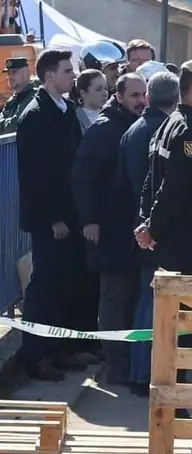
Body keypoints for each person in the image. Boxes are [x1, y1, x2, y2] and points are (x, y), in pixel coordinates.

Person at [134, 59, 192, 406]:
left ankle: (178, 402)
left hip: (173, 244)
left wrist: (147, 223)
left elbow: (150, 182)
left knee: (177, 328)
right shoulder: (191, 131)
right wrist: (154, 228)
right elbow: (174, 187)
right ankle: (182, 406)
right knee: (188, 331)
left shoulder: (169, 123)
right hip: (188, 247)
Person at [15, 49, 91, 381]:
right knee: (44, 285)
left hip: (70, 214)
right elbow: (37, 177)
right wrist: (54, 218)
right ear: (49, 75)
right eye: (67, 71)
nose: (72, 76)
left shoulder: (66, 110)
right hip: (51, 220)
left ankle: (56, 348)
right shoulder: (36, 115)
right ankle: (35, 355)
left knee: (64, 284)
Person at [71, 73, 146, 386]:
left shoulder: (132, 125)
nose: (141, 101)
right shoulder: (104, 130)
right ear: (119, 96)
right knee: (114, 298)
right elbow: (84, 178)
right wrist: (90, 220)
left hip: (128, 228)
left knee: (128, 299)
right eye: (134, 95)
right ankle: (115, 365)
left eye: (144, 95)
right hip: (109, 229)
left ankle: (124, 361)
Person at [121, 72, 178, 395]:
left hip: (141, 223)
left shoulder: (135, 129)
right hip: (155, 228)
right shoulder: (164, 129)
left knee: (147, 300)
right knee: (152, 303)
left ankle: (140, 370)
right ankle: (144, 372)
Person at [0, 57, 36, 133]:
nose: (10, 76)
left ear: (25, 73)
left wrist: (3, 124)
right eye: (8, 73)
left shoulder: (34, 97)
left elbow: (15, 125)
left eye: (14, 72)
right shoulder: (12, 100)